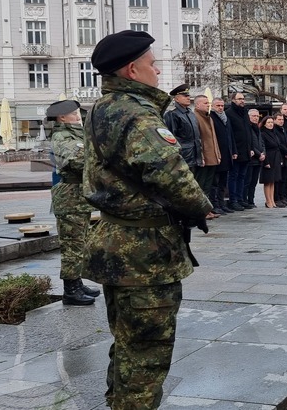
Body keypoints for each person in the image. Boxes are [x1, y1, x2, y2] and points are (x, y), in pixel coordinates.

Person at [82, 30, 213, 408]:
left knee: (126, 338)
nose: (158, 71)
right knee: (148, 348)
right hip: (143, 251)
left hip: (115, 241)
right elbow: (168, 172)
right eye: (153, 64)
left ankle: (118, 401)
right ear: (133, 70)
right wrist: (201, 206)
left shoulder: (103, 107)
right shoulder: (136, 114)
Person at [47, 99, 98, 306]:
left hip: (79, 196)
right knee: (72, 244)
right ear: (62, 117)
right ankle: (70, 290)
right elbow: (76, 161)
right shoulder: (61, 135)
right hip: (69, 196)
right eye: (74, 113)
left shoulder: (77, 132)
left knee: (81, 241)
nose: (78, 115)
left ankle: (77, 281)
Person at [163, 84, 202, 175]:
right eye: (185, 96)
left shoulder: (190, 114)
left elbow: (196, 136)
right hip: (184, 157)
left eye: (188, 95)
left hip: (195, 156)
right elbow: (170, 138)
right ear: (176, 99)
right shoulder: (172, 115)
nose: (188, 98)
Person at [193, 95, 221, 219]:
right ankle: (200, 211)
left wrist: (218, 154)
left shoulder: (208, 117)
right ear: (197, 105)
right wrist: (201, 156)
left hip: (212, 157)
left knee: (208, 185)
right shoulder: (195, 117)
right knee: (201, 185)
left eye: (208, 103)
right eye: (205, 103)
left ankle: (207, 210)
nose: (208, 105)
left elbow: (214, 138)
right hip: (204, 158)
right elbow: (197, 140)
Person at [210, 97, 237, 214]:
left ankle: (221, 203)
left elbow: (231, 136)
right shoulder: (211, 118)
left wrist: (234, 151)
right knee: (215, 182)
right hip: (217, 154)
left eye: (222, 106)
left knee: (223, 182)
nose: (220, 108)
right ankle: (214, 204)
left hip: (227, 154)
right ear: (213, 106)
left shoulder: (226, 118)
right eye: (218, 106)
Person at [226, 93, 252, 210]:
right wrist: (233, 151)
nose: (242, 101)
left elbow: (248, 132)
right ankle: (233, 200)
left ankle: (240, 199)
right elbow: (230, 134)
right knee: (233, 176)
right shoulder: (229, 113)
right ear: (233, 100)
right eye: (239, 99)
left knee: (242, 176)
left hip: (246, 150)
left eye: (243, 99)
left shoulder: (245, 112)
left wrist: (250, 148)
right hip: (236, 151)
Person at [243, 108, 266, 208]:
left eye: (257, 116)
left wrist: (264, 153)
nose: (256, 118)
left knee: (253, 182)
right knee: (247, 182)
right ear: (249, 117)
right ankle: (245, 200)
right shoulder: (247, 128)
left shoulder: (258, 128)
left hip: (259, 160)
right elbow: (250, 144)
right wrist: (258, 154)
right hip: (251, 159)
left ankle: (251, 200)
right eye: (253, 116)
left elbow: (261, 143)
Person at [259, 115, 282, 208]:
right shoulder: (263, 134)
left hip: (276, 158)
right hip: (268, 158)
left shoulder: (274, 133)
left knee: (273, 181)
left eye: (272, 122)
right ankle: (268, 200)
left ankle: (272, 200)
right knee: (267, 181)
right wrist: (266, 162)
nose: (270, 124)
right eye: (268, 122)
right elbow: (264, 148)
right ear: (264, 124)